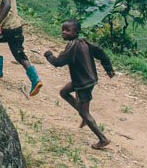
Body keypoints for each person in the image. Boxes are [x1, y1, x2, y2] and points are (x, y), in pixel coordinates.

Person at [44, 19, 115, 149]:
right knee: (64, 92)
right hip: (87, 79)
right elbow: (100, 52)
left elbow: (58, 62)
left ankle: (102, 139)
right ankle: (83, 113)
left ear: (76, 32)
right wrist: (108, 68)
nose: (64, 33)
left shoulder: (72, 47)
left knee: (85, 112)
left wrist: (49, 55)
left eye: (67, 30)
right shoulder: (84, 42)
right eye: (63, 30)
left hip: (83, 83)